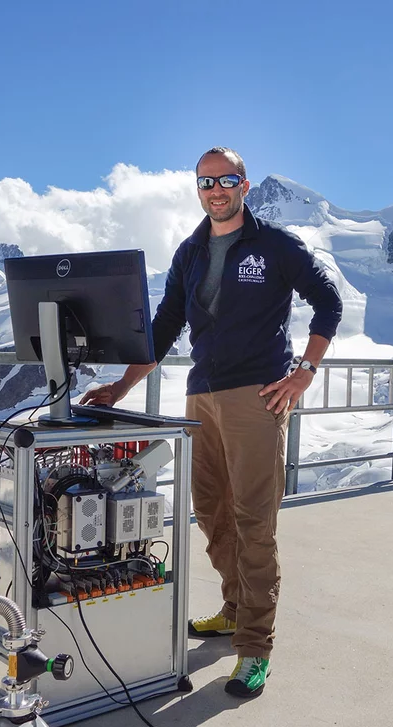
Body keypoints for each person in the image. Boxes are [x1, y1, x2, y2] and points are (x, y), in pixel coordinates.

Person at [80, 146, 342, 698]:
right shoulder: (191, 252)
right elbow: (165, 326)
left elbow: (328, 303)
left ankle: (254, 647)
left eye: (226, 180)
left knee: (253, 522)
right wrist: (121, 386)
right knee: (210, 514)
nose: (215, 190)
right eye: (205, 182)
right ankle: (232, 608)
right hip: (201, 396)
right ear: (197, 189)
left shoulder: (275, 245)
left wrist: (303, 374)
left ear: (244, 185)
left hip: (258, 397)